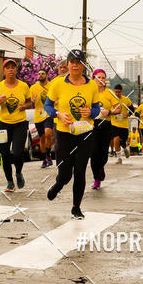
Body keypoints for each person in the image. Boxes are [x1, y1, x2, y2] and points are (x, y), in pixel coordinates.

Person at [44, 50, 100, 219]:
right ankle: (58, 184)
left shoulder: (91, 85)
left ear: (84, 65)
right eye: (72, 61)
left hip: (85, 133)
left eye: (79, 62)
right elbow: (48, 105)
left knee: (81, 169)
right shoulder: (58, 83)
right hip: (64, 133)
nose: (75, 65)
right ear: (67, 64)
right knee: (66, 172)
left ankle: (76, 207)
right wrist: (58, 114)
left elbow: (97, 109)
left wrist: (91, 111)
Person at [0, 59, 31, 191]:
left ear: (16, 70)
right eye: (7, 67)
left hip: (20, 124)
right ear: (4, 70)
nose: (10, 70)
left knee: (18, 153)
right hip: (3, 124)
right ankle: (9, 182)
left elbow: (30, 103)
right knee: (4, 154)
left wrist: (24, 106)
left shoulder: (24, 86)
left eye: (13, 67)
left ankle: (18, 172)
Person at [90, 69, 120, 190]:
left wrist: (110, 112)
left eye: (103, 78)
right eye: (98, 77)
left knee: (103, 153)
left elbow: (119, 109)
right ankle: (96, 178)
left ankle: (101, 166)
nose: (101, 80)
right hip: (92, 125)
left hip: (106, 125)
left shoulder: (109, 93)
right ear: (93, 79)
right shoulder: (90, 92)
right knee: (93, 152)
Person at [29, 68, 53, 168]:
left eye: (43, 73)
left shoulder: (51, 85)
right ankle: (45, 158)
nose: (40, 75)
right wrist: (33, 101)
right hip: (38, 115)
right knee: (42, 138)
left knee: (48, 133)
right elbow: (30, 104)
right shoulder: (33, 88)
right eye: (39, 73)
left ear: (46, 75)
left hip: (48, 114)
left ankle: (48, 154)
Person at [110, 84, 134, 163]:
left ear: (121, 92)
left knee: (122, 141)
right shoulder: (111, 99)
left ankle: (124, 148)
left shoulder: (126, 99)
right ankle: (119, 158)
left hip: (124, 124)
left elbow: (132, 110)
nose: (117, 94)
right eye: (116, 92)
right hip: (114, 123)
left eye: (119, 92)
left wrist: (127, 114)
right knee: (116, 139)